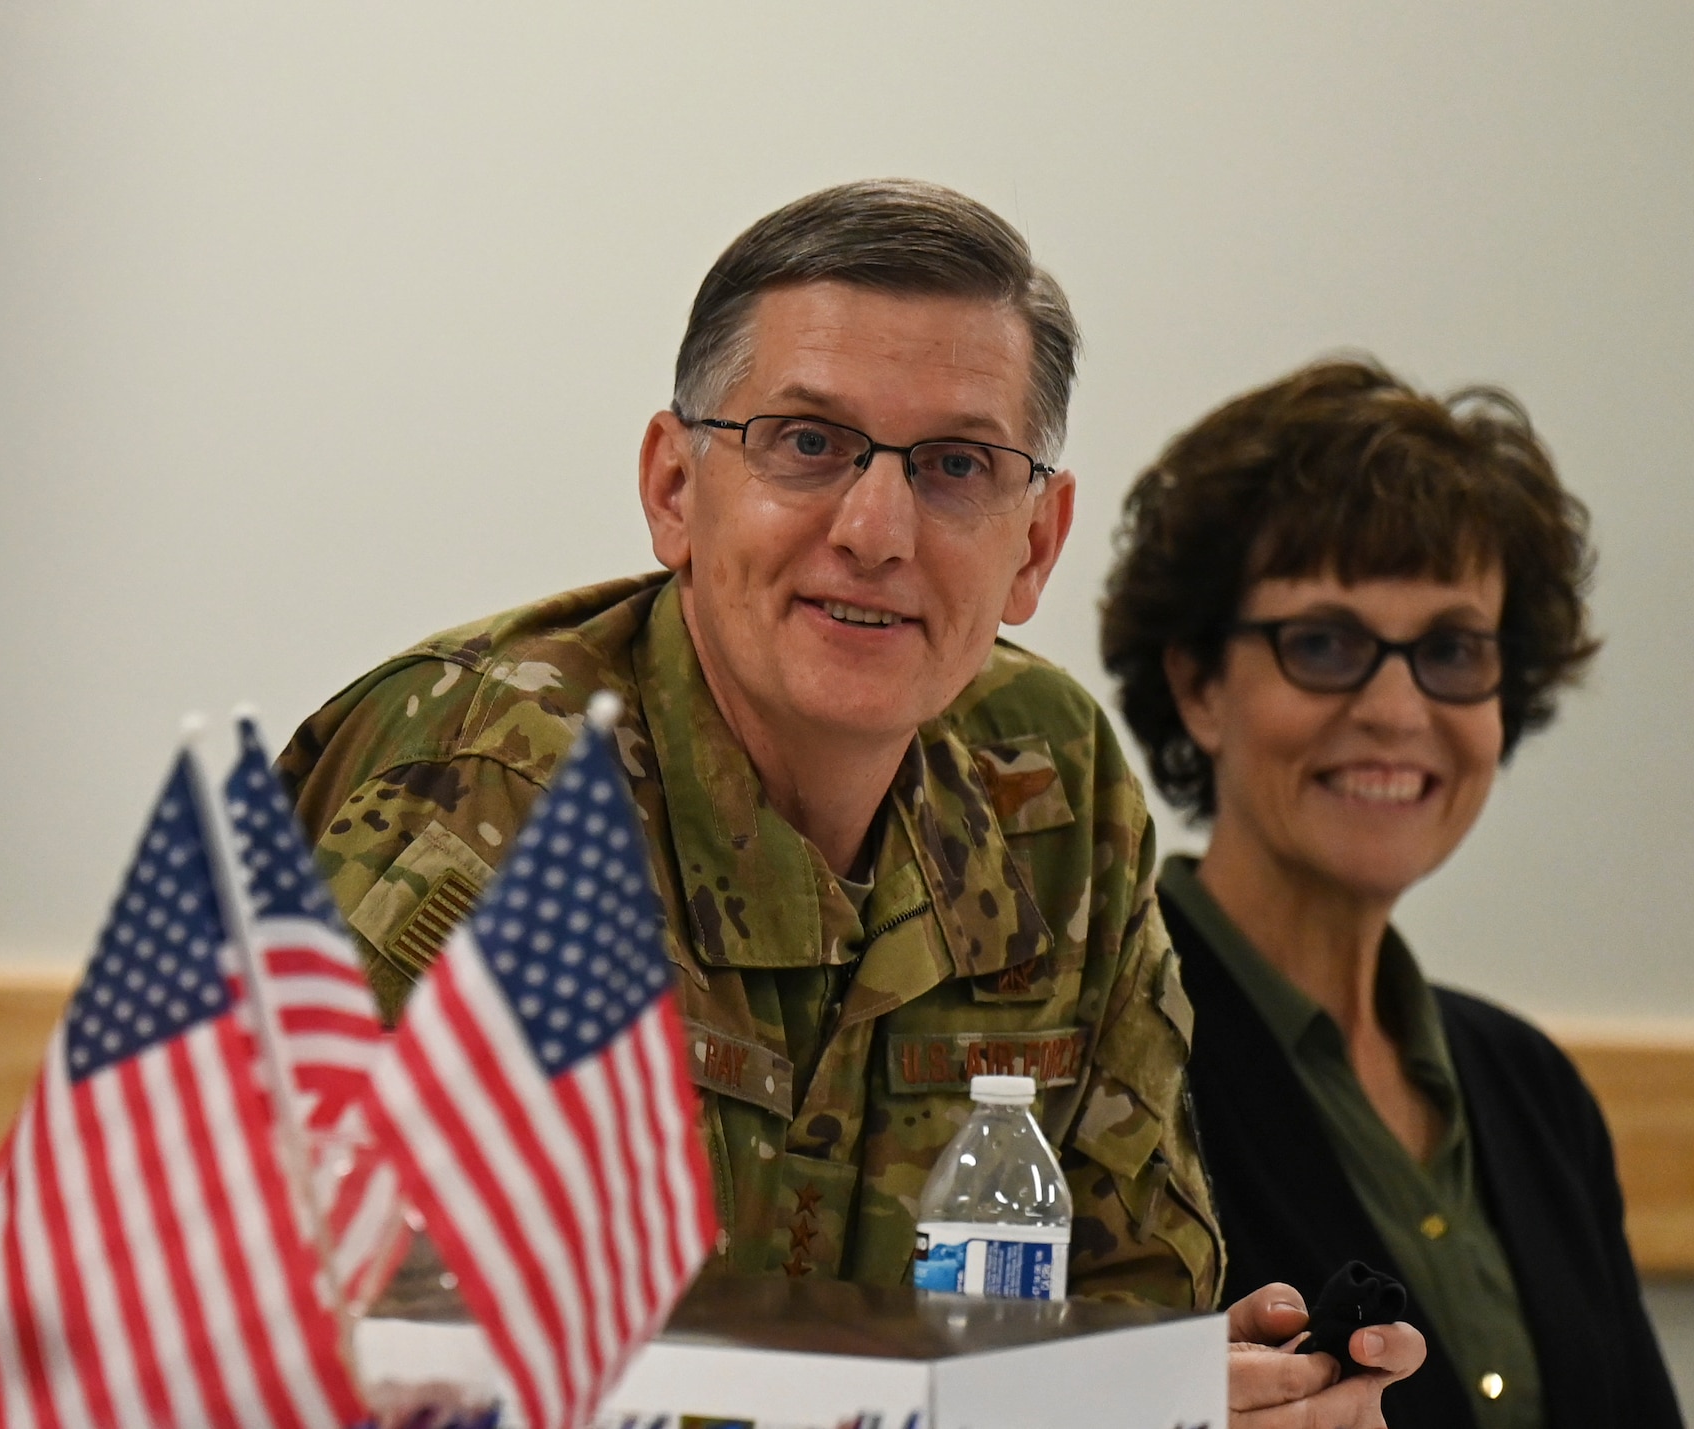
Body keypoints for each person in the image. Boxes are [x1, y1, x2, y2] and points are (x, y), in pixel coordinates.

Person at [280, 181, 1421, 1423]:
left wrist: (1214, 1400)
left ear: (1035, 544)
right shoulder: (489, 783)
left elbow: (1123, 1308)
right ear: (674, 487)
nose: (875, 531)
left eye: (954, 466)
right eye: (807, 443)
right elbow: (316, 1351)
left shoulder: (1052, 792)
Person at [1101, 358, 1681, 1428]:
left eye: (1451, 651)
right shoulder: (1092, 1052)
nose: (1394, 707)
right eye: (1322, 643)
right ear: (1196, 685)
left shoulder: (1531, 1087)